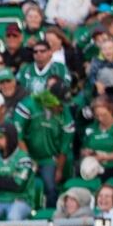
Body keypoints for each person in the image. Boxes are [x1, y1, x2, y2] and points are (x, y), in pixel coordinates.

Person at [14, 78, 74, 207]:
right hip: (25, 154)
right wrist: (28, 159)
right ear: (51, 97)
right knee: (21, 183)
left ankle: (50, 220)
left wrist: (59, 170)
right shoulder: (29, 104)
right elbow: (18, 136)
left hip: (48, 158)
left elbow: (64, 147)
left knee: (51, 187)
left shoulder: (65, 114)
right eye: (60, 102)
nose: (61, 106)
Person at [81, 96, 113, 182]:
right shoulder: (91, 129)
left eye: (104, 115)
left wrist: (104, 157)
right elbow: (84, 149)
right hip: (92, 168)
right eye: (97, 116)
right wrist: (86, 152)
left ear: (111, 111)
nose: (100, 119)